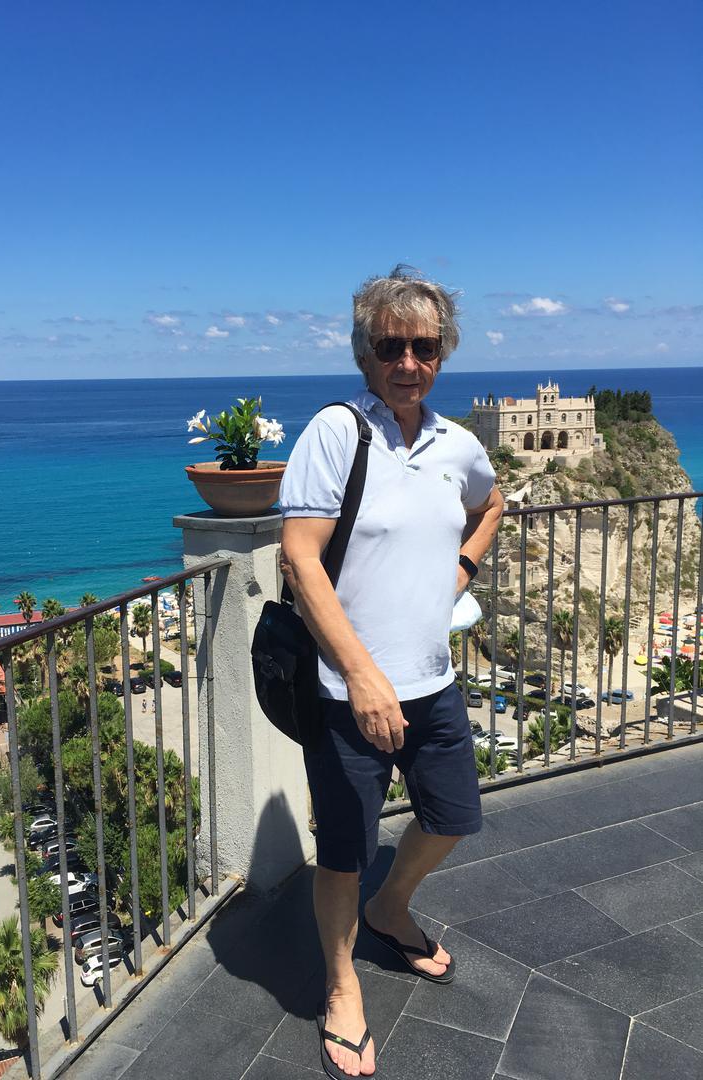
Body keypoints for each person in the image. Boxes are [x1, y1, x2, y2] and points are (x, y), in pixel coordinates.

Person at [279, 266, 504, 1079]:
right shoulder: (337, 433)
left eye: (424, 347)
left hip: (432, 680)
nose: (408, 362)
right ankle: (341, 986)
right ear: (364, 353)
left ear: (442, 353)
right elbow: (300, 558)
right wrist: (362, 676)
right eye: (390, 346)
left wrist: (460, 573)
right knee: (343, 851)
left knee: (451, 817)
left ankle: (391, 906)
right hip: (347, 694)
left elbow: (491, 503)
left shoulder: (457, 445)